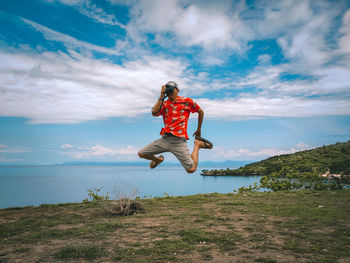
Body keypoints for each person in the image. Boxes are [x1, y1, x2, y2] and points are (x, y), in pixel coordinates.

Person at [138, 81, 213, 173]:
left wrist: (198, 129)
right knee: (141, 153)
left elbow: (200, 112)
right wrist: (161, 96)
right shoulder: (164, 103)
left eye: (172, 91)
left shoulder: (187, 101)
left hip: (179, 141)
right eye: (168, 92)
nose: (170, 94)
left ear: (177, 90)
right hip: (165, 139)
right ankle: (158, 160)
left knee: (191, 169)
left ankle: (197, 145)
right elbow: (154, 113)